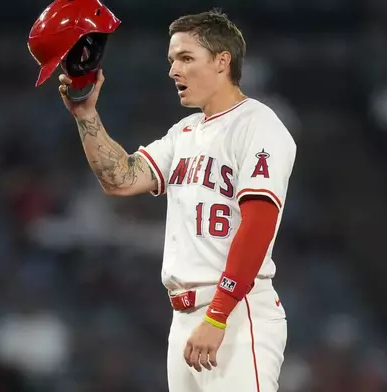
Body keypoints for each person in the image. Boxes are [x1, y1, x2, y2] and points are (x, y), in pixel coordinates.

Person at [58, 9, 296, 391]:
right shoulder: (184, 133)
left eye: (186, 58)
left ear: (223, 62)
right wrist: (86, 114)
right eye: (172, 60)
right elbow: (120, 178)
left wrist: (218, 315)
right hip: (185, 316)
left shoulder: (258, 123)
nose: (173, 70)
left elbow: (258, 224)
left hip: (235, 312)